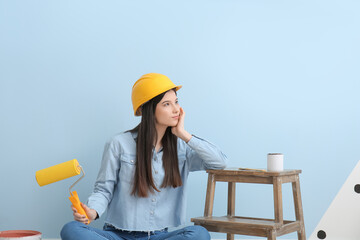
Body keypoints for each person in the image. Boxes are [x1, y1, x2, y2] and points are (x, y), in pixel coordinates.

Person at [60, 73, 227, 240]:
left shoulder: (181, 147)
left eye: (176, 102)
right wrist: (92, 212)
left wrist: (183, 134)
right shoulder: (118, 143)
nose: (176, 109)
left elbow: (219, 162)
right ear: (148, 109)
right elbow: (104, 189)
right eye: (167, 104)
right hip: (116, 235)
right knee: (71, 229)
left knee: (199, 234)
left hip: (158, 236)